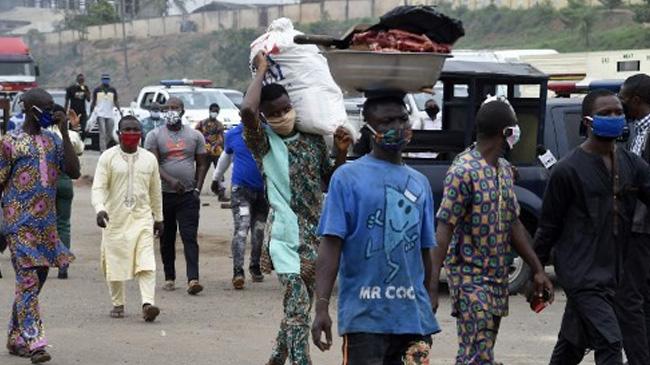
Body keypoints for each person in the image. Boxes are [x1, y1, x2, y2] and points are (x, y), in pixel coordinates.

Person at [241, 52, 352, 365]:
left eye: (286, 108)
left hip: (314, 235)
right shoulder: (263, 143)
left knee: (297, 308)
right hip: (285, 238)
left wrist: (341, 153)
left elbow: (329, 179)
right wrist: (261, 70)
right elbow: (248, 110)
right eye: (274, 113)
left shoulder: (312, 141)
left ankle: (276, 358)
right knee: (297, 310)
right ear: (265, 117)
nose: (282, 115)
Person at [312, 94, 440, 364]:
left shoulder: (420, 183)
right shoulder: (346, 178)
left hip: (413, 320)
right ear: (369, 129)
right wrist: (321, 306)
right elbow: (331, 245)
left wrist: (430, 296)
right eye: (386, 122)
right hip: (364, 320)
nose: (397, 126)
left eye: (402, 119)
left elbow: (426, 249)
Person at [433, 97, 553, 364]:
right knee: (475, 354)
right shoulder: (463, 171)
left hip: (496, 278)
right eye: (515, 126)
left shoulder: (504, 171)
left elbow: (514, 224)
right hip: (469, 278)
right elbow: (444, 230)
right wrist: (431, 286)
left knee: (482, 352)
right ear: (507, 132)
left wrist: (537, 269)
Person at [534, 89, 650, 365]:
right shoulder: (567, 170)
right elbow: (547, 227)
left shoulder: (631, 163)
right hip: (581, 275)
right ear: (588, 121)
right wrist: (538, 271)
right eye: (605, 114)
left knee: (571, 345)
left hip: (615, 275)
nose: (614, 117)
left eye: (618, 113)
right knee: (611, 342)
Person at [1, 88, 80, 363]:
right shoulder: (10, 142)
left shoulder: (53, 141)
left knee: (33, 284)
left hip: (46, 227)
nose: (51, 110)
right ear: (29, 108)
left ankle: (15, 337)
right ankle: (35, 342)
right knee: (28, 280)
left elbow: (74, 171)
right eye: (46, 107)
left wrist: (65, 132)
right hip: (18, 225)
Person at [92, 115, 163, 322]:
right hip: (114, 219)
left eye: (135, 130)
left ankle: (148, 303)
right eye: (127, 129)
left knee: (146, 261)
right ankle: (118, 303)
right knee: (113, 262)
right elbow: (99, 187)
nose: (132, 134)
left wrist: (159, 217)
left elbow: (155, 190)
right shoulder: (108, 157)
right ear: (119, 133)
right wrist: (99, 209)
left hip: (142, 218)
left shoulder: (149, 159)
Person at [144, 97, 209, 295]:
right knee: (167, 237)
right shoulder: (154, 135)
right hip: (164, 195)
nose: (171, 111)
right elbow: (154, 164)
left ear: (182, 110)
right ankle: (169, 277)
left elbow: (202, 163)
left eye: (175, 107)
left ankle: (193, 279)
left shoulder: (195, 135)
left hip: (188, 196)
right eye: (168, 108)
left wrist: (197, 189)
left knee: (189, 237)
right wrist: (171, 180)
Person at [616, 73, 650, 365]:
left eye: (623, 99)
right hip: (634, 227)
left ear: (636, 101)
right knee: (642, 299)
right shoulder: (638, 130)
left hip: (644, 228)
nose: (621, 103)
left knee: (628, 298)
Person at [212, 122, 268, 289]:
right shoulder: (233, 134)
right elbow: (226, 156)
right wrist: (216, 178)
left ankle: (255, 265)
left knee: (259, 231)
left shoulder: (269, 133)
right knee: (242, 229)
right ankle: (238, 271)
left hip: (264, 191)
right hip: (241, 190)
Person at [51, 104, 85, 280]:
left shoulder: (42, 136)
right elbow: (79, 151)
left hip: (46, 181)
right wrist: (74, 128)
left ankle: (41, 260)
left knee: (42, 222)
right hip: (64, 180)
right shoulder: (71, 136)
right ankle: (63, 264)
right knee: (64, 223)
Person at [196, 103, 227, 201]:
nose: (215, 113)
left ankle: (221, 193)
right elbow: (196, 134)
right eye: (213, 111)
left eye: (216, 111)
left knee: (219, 172)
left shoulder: (219, 125)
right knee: (201, 171)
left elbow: (222, 138)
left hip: (216, 152)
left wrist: (217, 145)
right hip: (204, 152)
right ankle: (195, 192)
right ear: (209, 111)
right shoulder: (202, 123)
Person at [91, 74, 122, 152]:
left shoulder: (112, 90)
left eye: (107, 79)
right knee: (103, 133)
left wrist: (119, 110)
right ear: (102, 80)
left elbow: (116, 101)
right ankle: (103, 150)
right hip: (100, 114)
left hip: (110, 114)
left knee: (109, 133)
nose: (106, 80)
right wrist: (91, 113)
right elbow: (94, 102)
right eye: (104, 79)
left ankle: (106, 146)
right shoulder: (97, 90)